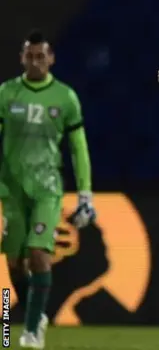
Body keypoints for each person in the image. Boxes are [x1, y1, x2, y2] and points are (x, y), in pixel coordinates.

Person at [0, 30, 95, 349]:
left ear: (51, 58)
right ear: (22, 58)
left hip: (47, 189)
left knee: (38, 253)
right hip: (11, 189)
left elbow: (78, 147)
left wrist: (85, 193)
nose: (36, 61)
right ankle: (34, 314)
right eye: (30, 55)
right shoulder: (6, 93)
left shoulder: (65, 97)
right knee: (15, 260)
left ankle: (32, 329)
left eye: (41, 56)